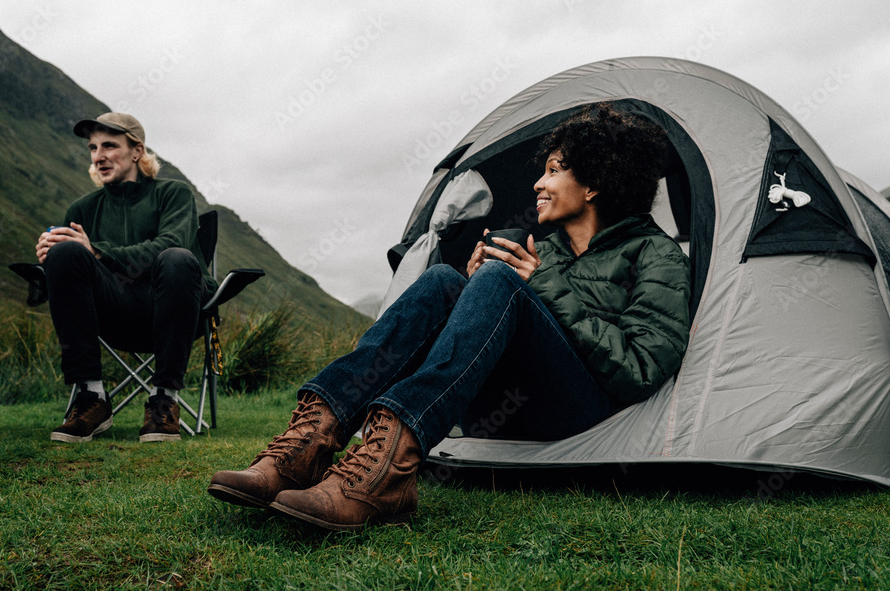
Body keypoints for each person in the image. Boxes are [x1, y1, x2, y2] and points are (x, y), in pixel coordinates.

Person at [208, 103, 692, 531]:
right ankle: (307, 445)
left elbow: (640, 370)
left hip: (582, 414)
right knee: (444, 281)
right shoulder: (538, 250)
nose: (538, 184)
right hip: (501, 409)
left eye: (553, 171)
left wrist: (534, 286)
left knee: (500, 280)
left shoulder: (656, 255)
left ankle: (385, 474)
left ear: (595, 184)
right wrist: (473, 288)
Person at [37, 112, 214, 443]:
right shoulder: (82, 210)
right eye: (92, 148)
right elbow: (73, 274)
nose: (98, 156)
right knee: (64, 252)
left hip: (170, 311)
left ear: (137, 151)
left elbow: (171, 243)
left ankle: (164, 400)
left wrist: (99, 252)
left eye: (109, 145)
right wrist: (51, 256)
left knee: (177, 258)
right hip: (110, 313)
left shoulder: (174, 194)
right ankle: (92, 398)